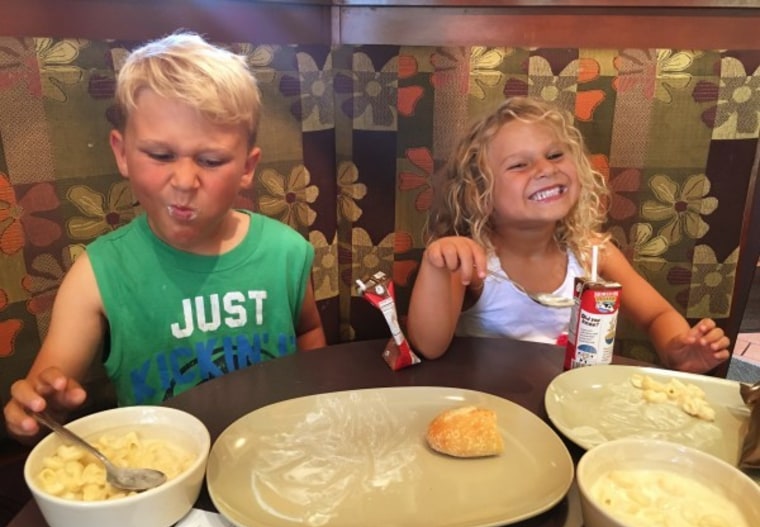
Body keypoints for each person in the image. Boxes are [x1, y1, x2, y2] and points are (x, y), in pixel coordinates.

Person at [4, 32, 326, 440]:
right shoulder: (98, 275)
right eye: (160, 155)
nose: (184, 181)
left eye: (210, 160)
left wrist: (317, 399)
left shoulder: (287, 252)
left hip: (277, 455)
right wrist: (36, 408)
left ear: (248, 166)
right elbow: (43, 397)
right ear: (122, 152)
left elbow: (307, 331)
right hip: (161, 474)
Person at [406, 96, 730, 373]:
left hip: (568, 407)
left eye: (555, 155)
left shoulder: (591, 252)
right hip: (488, 408)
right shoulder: (470, 262)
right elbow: (429, 346)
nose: (546, 170)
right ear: (480, 194)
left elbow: (656, 315)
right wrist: (436, 263)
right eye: (519, 165)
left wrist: (678, 349)